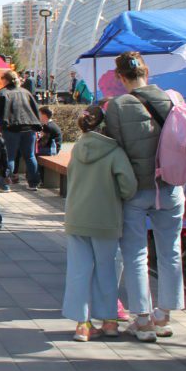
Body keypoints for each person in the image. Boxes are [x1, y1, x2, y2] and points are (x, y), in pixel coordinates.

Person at [104, 51, 185, 341]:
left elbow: (115, 149)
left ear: (120, 76)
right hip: (171, 186)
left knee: (135, 253)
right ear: (146, 72)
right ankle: (163, 314)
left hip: (136, 189)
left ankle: (141, 317)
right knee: (170, 250)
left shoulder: (118, 106)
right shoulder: (172, 99)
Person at [63, 105, 137, 342]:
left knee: (78, 270)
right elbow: (128, 187)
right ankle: (109, 321)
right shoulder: (115, 152)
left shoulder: (77, 148)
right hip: (105, 218)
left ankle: (82, 324)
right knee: (106, 269)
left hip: (76, 217)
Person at [0, 69, 41, 192]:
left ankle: (5, 185)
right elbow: (35, 109)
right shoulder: (26, 92)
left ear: (6, 80)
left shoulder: (2, 93)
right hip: (29, 127)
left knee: (9, 156)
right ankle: (33, 184)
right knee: (30, 156)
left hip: (11, 128)